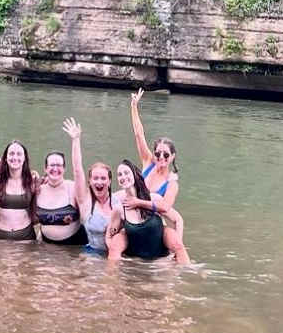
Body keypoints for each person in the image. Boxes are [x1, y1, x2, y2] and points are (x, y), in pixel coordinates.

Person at [128, 90, 192, 265]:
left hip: (154, 219)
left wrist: (138, 202)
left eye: (165, 155)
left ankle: (182, 265)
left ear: (172, 157)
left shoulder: (172, 183)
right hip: (134, 214)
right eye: (157, 153)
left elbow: (165, 208)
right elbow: (139, 134)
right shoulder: (148, 163)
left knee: (177, 242)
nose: (161, 158)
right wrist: (134, 107)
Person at [106, 160, 184, 261]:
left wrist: (177, 249)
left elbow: (177, 220)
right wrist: (122, 259)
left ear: (135, 175)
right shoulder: (119, 208)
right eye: (120, 174)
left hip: (161, 261)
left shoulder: (154, 199)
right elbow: (109, 237)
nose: (123, 177)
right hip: (136, 264)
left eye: (126, 173)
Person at [64, 116, 116, 255]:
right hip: (93, 255)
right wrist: (76, 140)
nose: (99, 182)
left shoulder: (119, 200)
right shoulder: (85, 202)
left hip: (117, 254)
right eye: (95, 178)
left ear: (110, 181)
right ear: (90, 181)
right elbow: (77, 170)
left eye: (103, 178)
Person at [34, 124, 88, 246]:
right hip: (47, 247)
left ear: (64, 168)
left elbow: (78, 171)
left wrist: (76, 140)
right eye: (52, 165)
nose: (55, 169)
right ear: (45, 168)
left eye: (59, 165)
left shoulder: (72, 188)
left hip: (74, 246)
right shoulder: (38, 190)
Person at [0, 140, 39, 241]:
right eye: (11, 154)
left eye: (19, 154)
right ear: (6, 158)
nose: (15, 157)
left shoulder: (32, 180)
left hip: (26, 237)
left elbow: (44, 205)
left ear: (24, 158)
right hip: (1, 238)